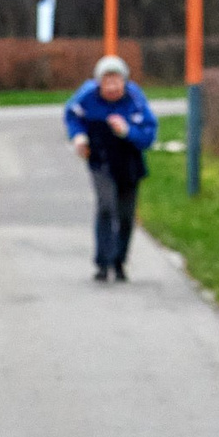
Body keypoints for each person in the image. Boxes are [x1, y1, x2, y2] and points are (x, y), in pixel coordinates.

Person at [63, 55, 157, 282]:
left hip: (129, 161)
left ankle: (119, 260)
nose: (113, 87)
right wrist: (78, 137)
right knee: (106, 206)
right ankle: (103, 263)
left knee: (125, 215)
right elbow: (71, 115)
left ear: (125, 81)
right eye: (107, 82)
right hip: (100, 159)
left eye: (117, 81)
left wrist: (128, 132)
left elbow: (148, 135)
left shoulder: (135, 100)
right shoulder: (87, 96)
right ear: (99, 82)